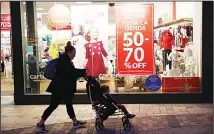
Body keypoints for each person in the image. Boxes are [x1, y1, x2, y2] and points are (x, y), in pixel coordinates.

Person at [36, 41, 87, 133]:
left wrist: (83, 71)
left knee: (68, 104)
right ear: (69, 52)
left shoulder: (65, 60)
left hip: (62, 88)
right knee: (53, 106)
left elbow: (72, 71)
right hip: (60, 88)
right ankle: (40, 123)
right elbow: (71, 73)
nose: (74, 56)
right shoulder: (64, 61)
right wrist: (83, 72)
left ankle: (75, 122)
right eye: (74, 54)